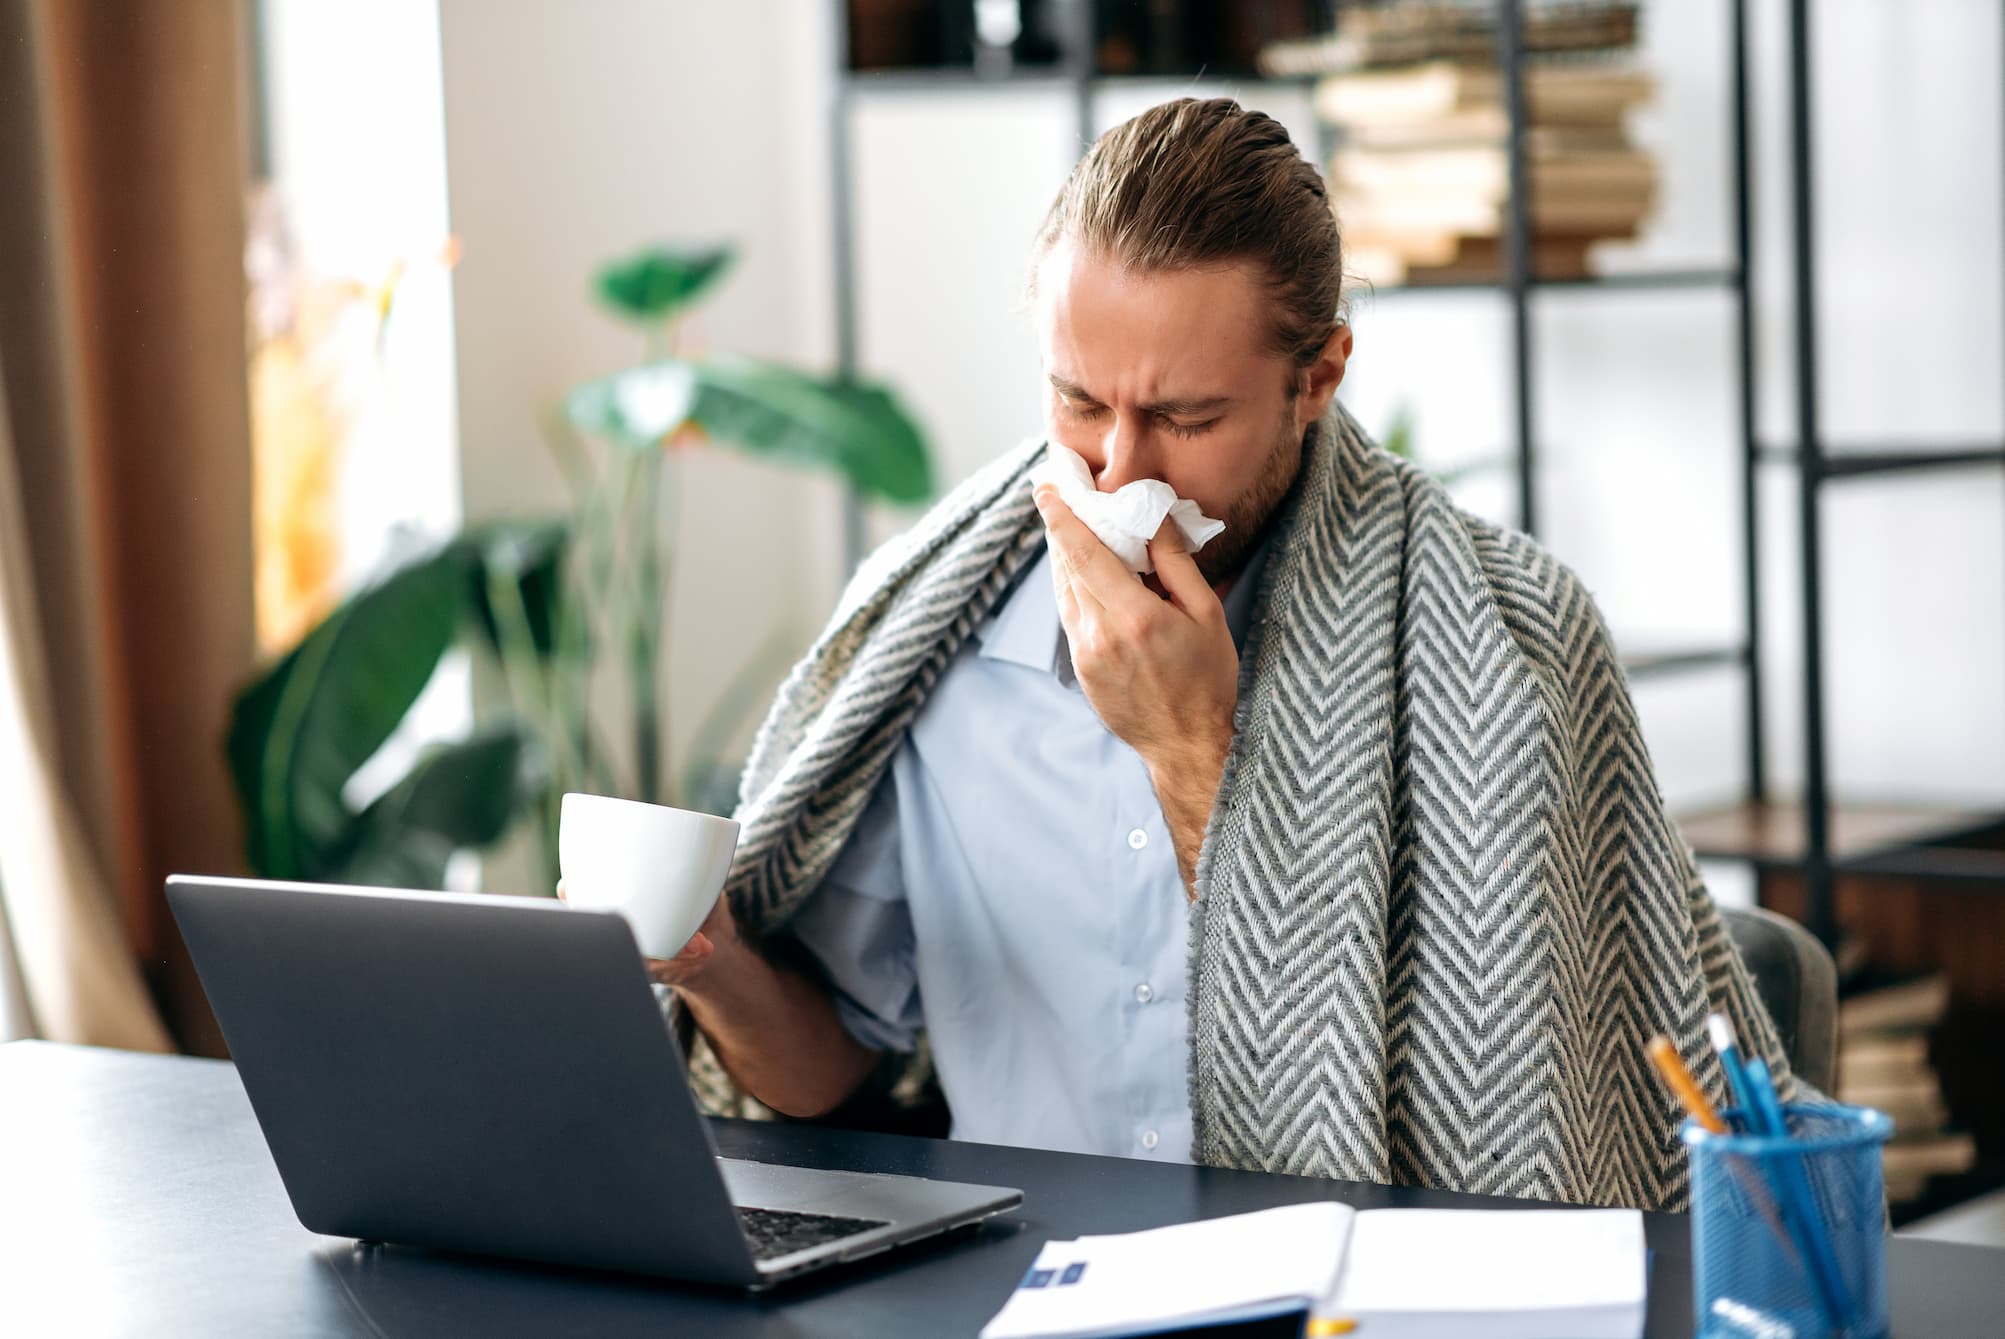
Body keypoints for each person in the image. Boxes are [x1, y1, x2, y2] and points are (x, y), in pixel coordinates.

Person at [603, 97, 1795, 1212]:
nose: (1120, 471)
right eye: (1078, 402)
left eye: (1185, 418)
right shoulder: (938, 642)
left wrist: (1186, 747)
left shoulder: (1513, 639)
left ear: (1315, 377)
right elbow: (836, 1070)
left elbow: (1496, 1144)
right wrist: (713, 966)